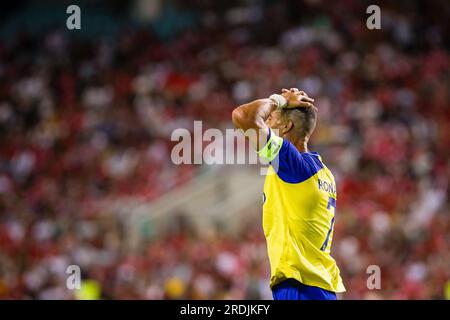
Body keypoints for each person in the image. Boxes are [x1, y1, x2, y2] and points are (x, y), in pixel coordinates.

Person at [231, 88, 345, 300]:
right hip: (320, 287)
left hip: (299, 286)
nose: (270, 115)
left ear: (287, 126)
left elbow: (243, 116)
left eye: (277, 114)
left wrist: (279, 100)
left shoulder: (293, 165)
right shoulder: (324, 173)